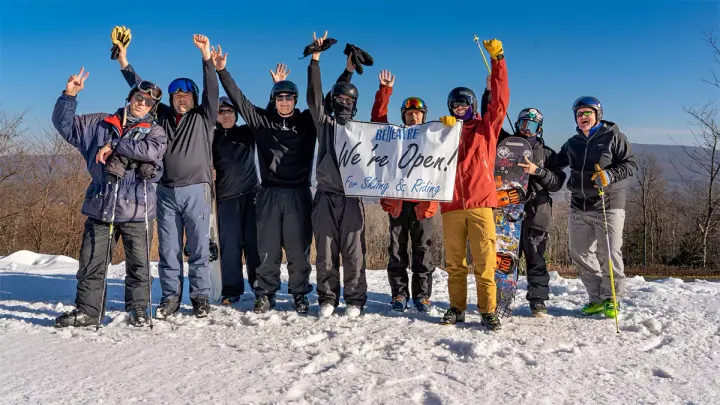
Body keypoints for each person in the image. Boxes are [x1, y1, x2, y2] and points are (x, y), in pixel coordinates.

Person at [210, 47, 355, 315]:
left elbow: (323, 97)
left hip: (298, 193)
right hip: (268, 194)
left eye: (289, 98)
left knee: (298, 249)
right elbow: (239, 99)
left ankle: (300, 292)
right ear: (274, 99)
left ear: (295, 100)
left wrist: (337, 68)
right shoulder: (262, 121)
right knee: (267, 248)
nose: (284, 102)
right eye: (280, 97)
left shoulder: (307, 122)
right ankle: (265, 293)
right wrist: (221, 70)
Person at [52, 67, 167, 327]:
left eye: (149, 101)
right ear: (131, 96)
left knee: (138, 265)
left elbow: (150, 151)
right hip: (101, 204)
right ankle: (89, 311)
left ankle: (138, 309)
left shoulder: (155, 131)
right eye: (140, 97)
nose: (143, 103)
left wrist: (115, 144)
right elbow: (66, 126)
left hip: (138, 208)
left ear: (153, 106)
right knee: (92, 263)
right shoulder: (99, 124)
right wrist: (69, 97)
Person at [115, 33, 219, 319]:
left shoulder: (203, 116)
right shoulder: (160, 116)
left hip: (197, 190)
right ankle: (171, 297)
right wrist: (124, 61)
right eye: (177, 95)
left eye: (186, 95)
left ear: (194, 98)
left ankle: (200, 297)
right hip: (166, 192)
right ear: (171, 99)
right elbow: (142, 90)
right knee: (169, 250)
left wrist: (206, 55)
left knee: (198, 249)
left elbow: (212, 88)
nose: (181, 99)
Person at [438, 38, 509, 331]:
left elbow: (501, 99)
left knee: (485, 263)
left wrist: (498, 60)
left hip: (481, 205)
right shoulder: (443, 131)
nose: (459, 107)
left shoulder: (486, 128)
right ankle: (456, 308)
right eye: (455, 104)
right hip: (452, 205)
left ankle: (488, 310)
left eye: (463, 103)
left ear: (471, 105)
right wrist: (439, 133)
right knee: (455, 264)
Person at [556, 96, 637, 318]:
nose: (583, 117)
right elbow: (554, 163)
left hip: (608, 205)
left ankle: (612, 298)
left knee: (609, 253)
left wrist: (609, 175)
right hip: (579, 205)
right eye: (579, 114)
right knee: (579, 253)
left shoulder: (613, 137)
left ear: (597, 115)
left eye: (587, 113)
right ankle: (596, 298)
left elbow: (630, 164)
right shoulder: (572, 143)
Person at [307, 31, 367, 318]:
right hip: (325, 195)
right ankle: (327, 297)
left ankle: (355, 298)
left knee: (354, 251)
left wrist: (348, 71)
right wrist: (316, 60)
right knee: (326, 251)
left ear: (354, 104)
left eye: (348, 100)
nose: (343, 102)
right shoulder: (325, 123)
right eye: (339, 98)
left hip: (353, 196)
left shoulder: (362, 131)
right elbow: (318, 96)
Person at [370, 69, 438, 313]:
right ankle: (399, 294)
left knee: (423, 252)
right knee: (397, 251)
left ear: (423, 116)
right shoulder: (394, 136)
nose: (413, 117)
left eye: (417, 113)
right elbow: (377, 122)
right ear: (404, 116)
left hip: (422, 205)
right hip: (398, 204)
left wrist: (452, 125)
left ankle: (422, 296)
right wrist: (384, 91)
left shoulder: (433, 136)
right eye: (409, 113)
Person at [509, 108, 566, 316]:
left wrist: (538, 171)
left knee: (536, 257)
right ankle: (503, 297)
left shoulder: (548, 153)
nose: (526, 129)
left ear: (539, 129)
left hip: (537, 210)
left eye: (531, 126)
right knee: (506, 256)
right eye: (523, 124)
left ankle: (538, 300)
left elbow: (557, 182)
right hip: (509, 210)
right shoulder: (506, 146)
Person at [212, 96, 260, 305]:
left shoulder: (247, 133)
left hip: (251, 196)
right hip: (226, 199)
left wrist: (272, 93)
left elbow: (259, 116)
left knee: (254, 244)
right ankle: (231, 289)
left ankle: (260, 286)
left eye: (230, 111)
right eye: (222, 112)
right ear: (216, 116)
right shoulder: (210, 138)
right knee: (229, 246)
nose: (226, 115)